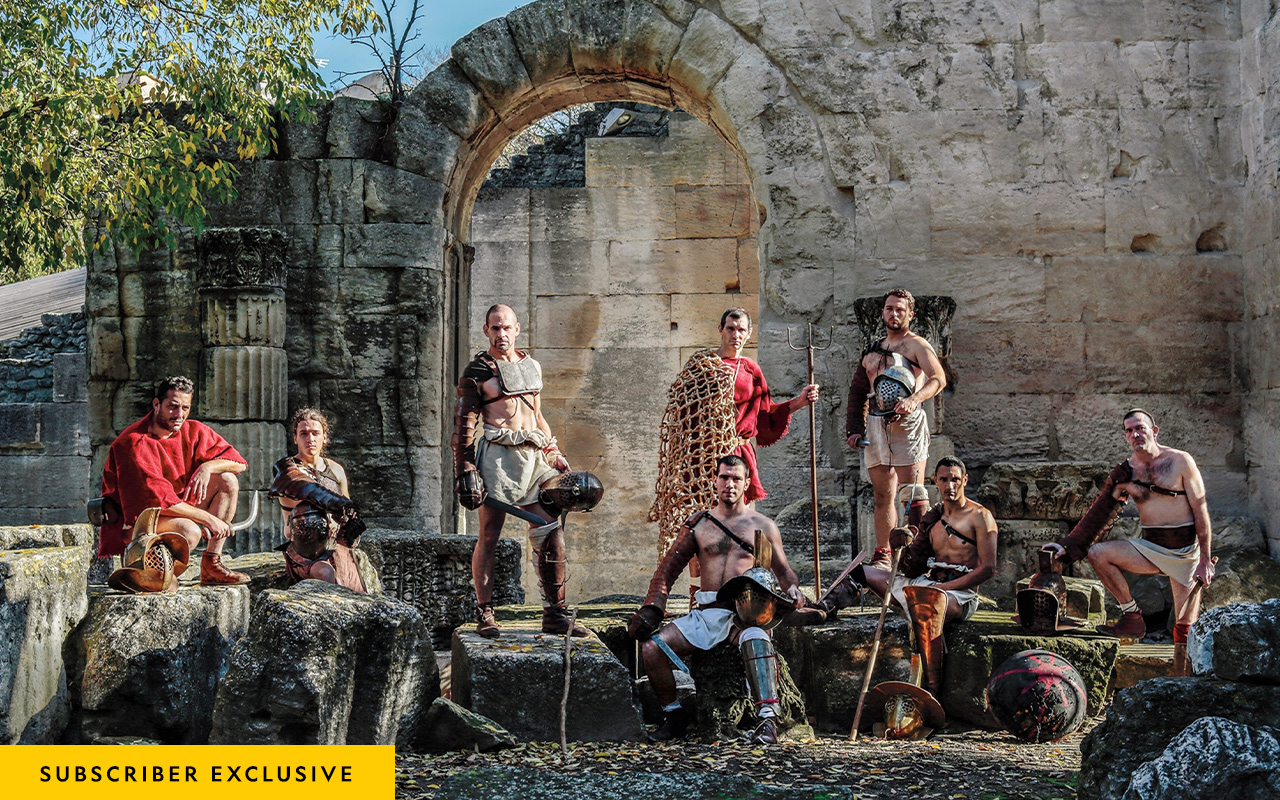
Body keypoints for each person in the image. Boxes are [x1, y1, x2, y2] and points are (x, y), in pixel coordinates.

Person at [629, 455, 806, 745]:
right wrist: (653, 607)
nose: (729, 484)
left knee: (757, 639)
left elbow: (784, 572)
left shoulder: (763, 526)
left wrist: (794, 591)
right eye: (724, 477)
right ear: (715, 480)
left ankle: (767, 721)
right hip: (706, 613)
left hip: (743, 613)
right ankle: (674, 717)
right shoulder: (700, 524)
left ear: (747, 483)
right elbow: (668, 569)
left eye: (736, 478)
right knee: (652, 648)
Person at [649, 307, 819, 597]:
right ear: (720, 329)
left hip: (737, 452)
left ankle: (739, 593)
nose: (736, 335)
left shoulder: (751, 369)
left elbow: (764, 414)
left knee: (741, 526)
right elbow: (683, 410)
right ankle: (697, 596)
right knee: (698, 526)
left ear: (749, 334)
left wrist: (798, 403)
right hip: (701, 457)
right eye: (731, 328)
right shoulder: (701, 365)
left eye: (742, 330)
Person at [452, 303, 590, 639]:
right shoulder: (478, 371)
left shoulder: (531, 366)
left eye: (506, 328)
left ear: (517, 329)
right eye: (495, 328)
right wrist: (465, 469)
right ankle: (485, 612)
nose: (501, 334)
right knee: (489, 535)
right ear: (486, 331)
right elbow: (463, 429)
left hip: (534, 459)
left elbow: (537, 418)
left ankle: (555, 614)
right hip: (498, 459)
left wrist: (553, 451)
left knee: (550, 526)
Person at [809, 456, 996, 700]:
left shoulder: (981, 516)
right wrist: (899, 545)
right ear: (935, 482)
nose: (950, 486)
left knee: (928, 605)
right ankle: (823, 609)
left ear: (965, 481)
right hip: (927, 586)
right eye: (944, 480)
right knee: (862, 572)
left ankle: (932, 693)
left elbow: (988, 568)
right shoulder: (932, 518)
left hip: (959, 595)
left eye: (956, 480)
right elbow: (911, 568)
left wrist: (945, 588)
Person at [1040, 409, 1214, 646]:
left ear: (1154, 431)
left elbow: (1201, 512)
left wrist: (1204, 559)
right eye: (1129, 430)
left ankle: (1187, 678)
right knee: (1098, 554)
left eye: (1140, 428)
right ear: (1125, 437)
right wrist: (1067, 545)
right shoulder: (1126, 473)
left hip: (1185, 553)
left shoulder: (1181, 461)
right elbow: (1099, 514)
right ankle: (1132, 616)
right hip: (1150, 549)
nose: (1135, 434)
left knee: (1184, 632)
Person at [98, 375, 249, 585]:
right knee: (190, 531)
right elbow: (156, 500)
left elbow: (239, 463)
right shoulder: (133, 443)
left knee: (227, 480)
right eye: (173, 406)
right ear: (156, 404)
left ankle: (211, 564)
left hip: (174, 508)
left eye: (185, 408)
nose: (180, 414)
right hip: (138, 520)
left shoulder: (194, 430)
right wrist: (209, 519)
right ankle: (154, 573)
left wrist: (208, 467)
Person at [846, 289, 946, 570]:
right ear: (883, 313)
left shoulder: (917, 346)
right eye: (890, 309)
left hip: (908, 425)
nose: (894, 314)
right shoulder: (873, 350)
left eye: (900, 310)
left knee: (913, 492)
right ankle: (883, 554)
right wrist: (854, 429)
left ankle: (918, 554)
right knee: (882, 495)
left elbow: (938, 379)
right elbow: (858, 392)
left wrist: (914, 400)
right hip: (877, 426)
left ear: (910, 314)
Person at [270, 407, 366, 592]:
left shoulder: (335, 469)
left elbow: (348, 511)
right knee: (325, 574)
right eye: (304, 434)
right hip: (305, 549)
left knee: (354, 591)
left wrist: (351, 524)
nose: (310, 439)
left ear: (325, 437)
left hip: (336, 544)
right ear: (295, 438)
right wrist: (340, 507)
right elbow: (306, 491)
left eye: (315, 433)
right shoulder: (288, 471)